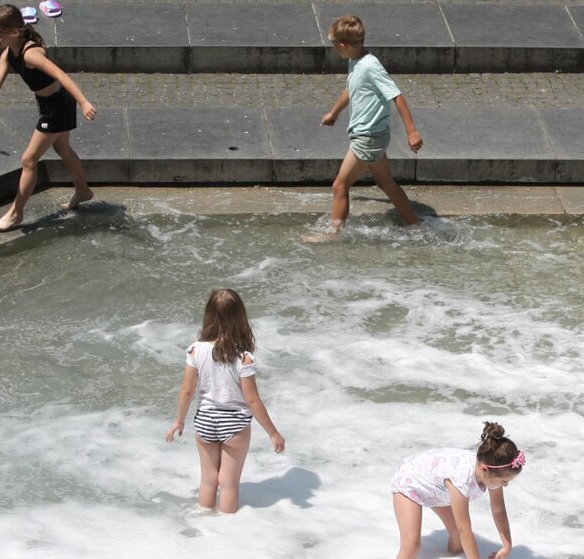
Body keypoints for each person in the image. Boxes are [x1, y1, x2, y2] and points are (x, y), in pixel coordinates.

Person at [0, 4, 96, 232]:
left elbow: (60, 74)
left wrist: (84, 101)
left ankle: (16, 213)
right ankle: (83, 190)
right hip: (50, 104)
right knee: (63, 149)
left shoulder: (31, 54)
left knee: (28, 160)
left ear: (15, 32)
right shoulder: (9, 54)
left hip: (57, 107)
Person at [302, 14, 424, 243]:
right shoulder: (356, 60)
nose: (335, 51)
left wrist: (412, 131)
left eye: (334, 47)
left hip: (368, 136)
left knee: (340, 185)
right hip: (373, 135)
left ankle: (332, 235)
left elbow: (396, 95)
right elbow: (350, 88)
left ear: (342, 45)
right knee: (386, 183)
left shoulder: (370, 65)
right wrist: (334, 112)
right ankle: (413, 224)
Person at [166, 288, 286, 513]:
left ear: (208, 315)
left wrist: (179, 420)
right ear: (240, 318)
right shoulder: (244, 358)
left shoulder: (195, 351)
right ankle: (227, 534)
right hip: (235, 426)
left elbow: (186, 390)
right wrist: (273, 432)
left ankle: (204, 526)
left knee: (208, 480)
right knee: (228, 484)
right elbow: (252, 401)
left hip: (205, 422)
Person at [389, 421, 524, 559]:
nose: (505, 484)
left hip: (438, 490)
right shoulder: (462, 480)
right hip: (411, 482)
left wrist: (507, 544)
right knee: (412, 545)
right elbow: (464, 529)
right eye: (503, 480)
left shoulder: (492, 474)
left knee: (457, 538)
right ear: (484, 469)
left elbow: (498, 510)